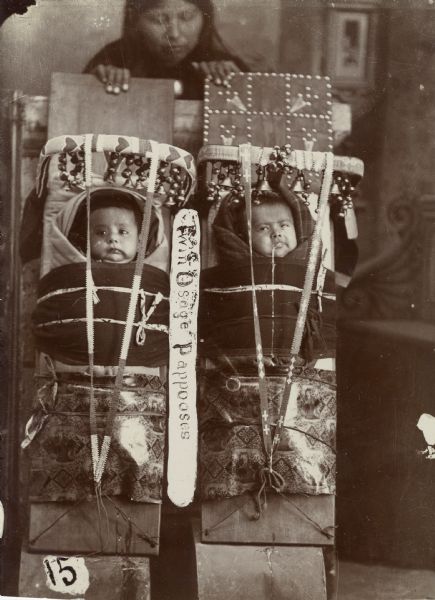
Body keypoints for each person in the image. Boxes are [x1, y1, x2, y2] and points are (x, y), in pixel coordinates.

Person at [85, 0, 248, 98]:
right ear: (135, 20)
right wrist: (94, 85)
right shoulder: (110, 62)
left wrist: (240, 85)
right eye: (159, 19)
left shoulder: (224, 66)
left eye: (187, 17)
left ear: (205, 16)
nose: (174, 34)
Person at [68, 189, 158, 263]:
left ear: (139, 243)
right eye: (102, 232)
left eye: (123, 232)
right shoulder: (76, 269)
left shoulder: (151, 274)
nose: (113, 238)